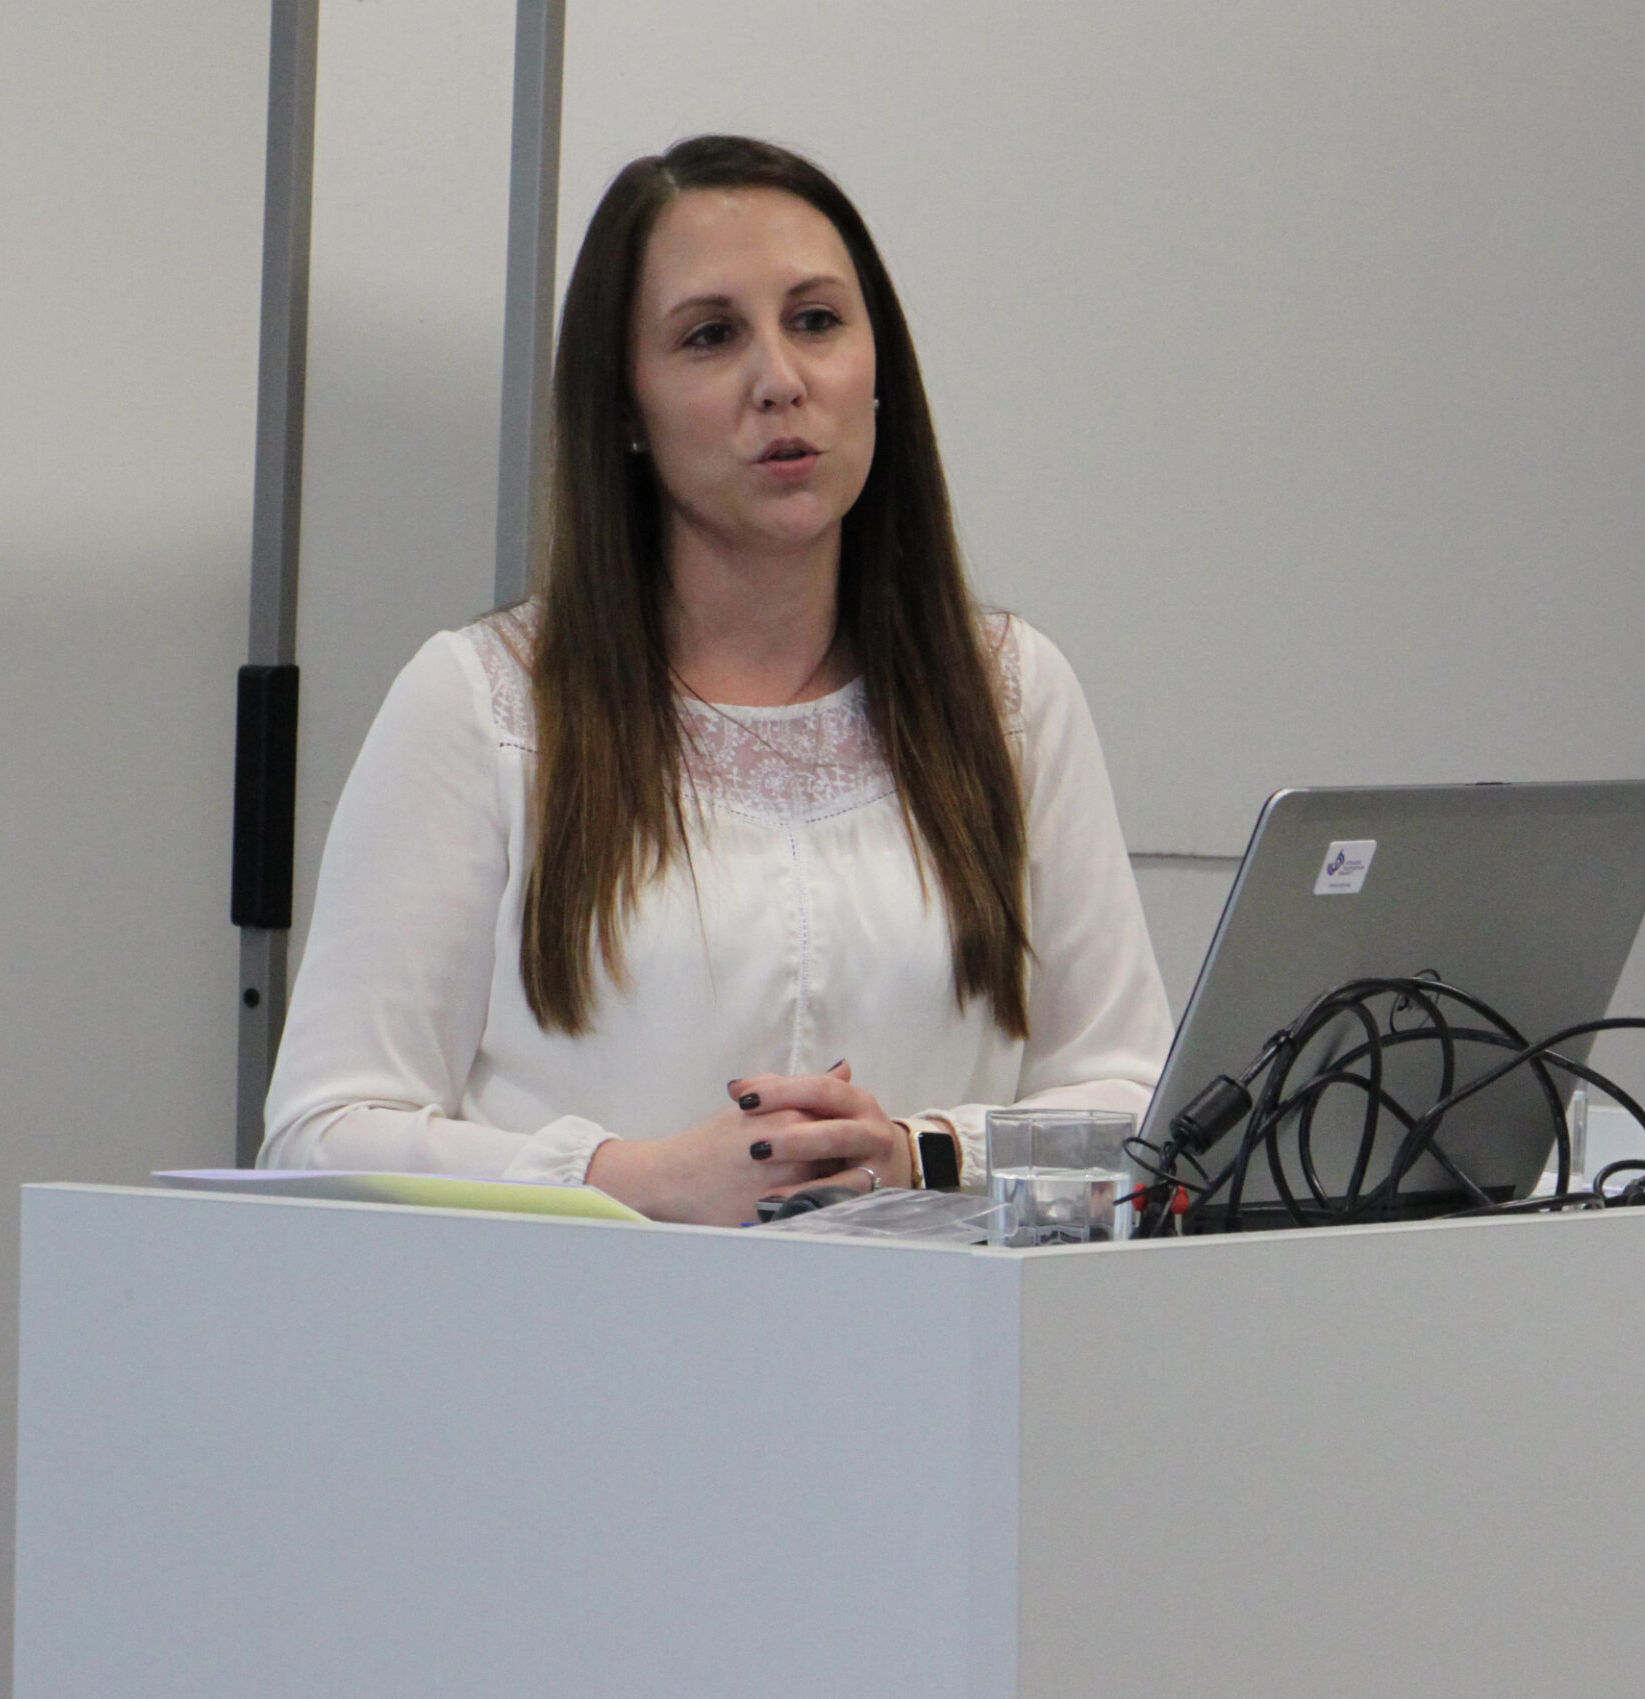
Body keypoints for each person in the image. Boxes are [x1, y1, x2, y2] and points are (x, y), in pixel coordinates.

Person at [260, 135, 1171, 1227]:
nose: (780, 381)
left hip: (932, 1362)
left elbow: (1138, 1105)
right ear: (627, 407)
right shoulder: (483, 703)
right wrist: (634, 1179)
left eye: (818, 321)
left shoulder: (1008, 692)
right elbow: (319, 1130)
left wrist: (915, 1150)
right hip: (578, 1357)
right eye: (710, 336)